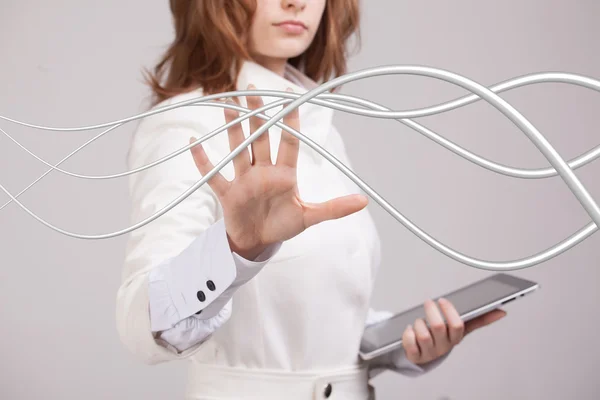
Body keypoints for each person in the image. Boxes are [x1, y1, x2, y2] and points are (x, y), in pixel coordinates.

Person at [116, 1, 506, 399]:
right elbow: (140, 321)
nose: (296, 2)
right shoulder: (185, 124)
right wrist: (237, 249)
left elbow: (308, 314)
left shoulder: (314, 118)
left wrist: (402, 346)